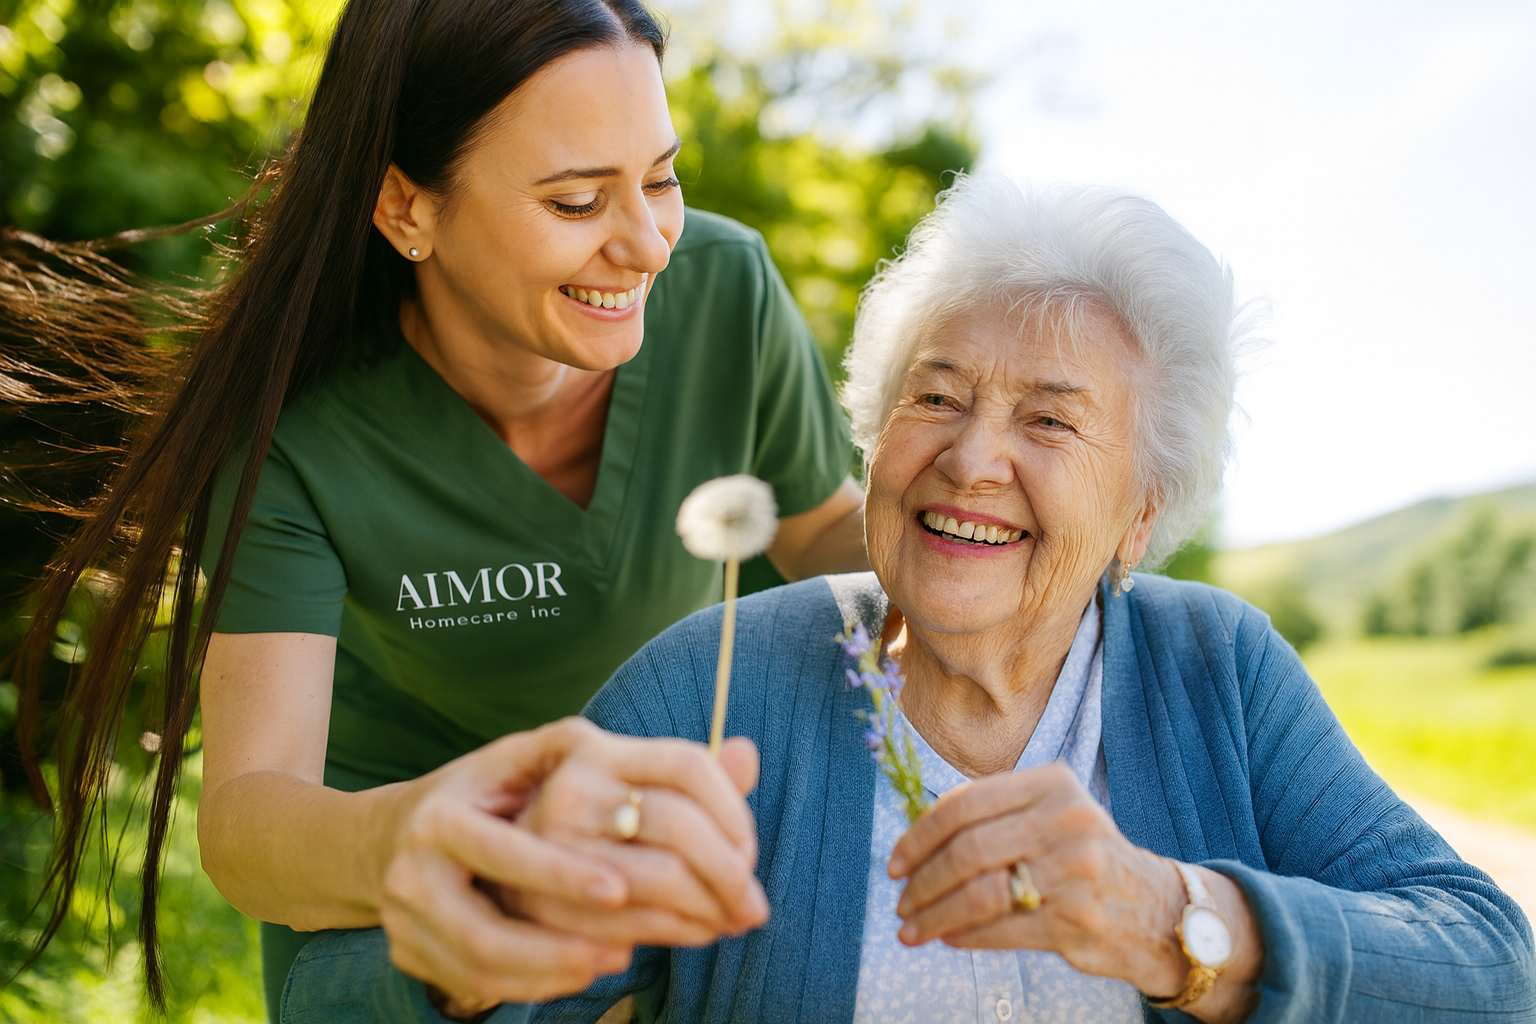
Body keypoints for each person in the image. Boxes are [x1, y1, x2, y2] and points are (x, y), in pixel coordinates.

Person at [11, 0, 867, 1018]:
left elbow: (823, 532)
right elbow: (246, 823)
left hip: (661, 851)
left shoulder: (730, 291)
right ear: (407, 208)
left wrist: (971, 540)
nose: (647, 244)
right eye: (577, 202)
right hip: (396, 896)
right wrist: (443, 834)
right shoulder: (297, 431)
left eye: (661, 177)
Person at [500, 176, 1524, 1021]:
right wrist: (491, 916)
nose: (973, 457)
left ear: (1139, 514)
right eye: (937, 397)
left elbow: (1493, 967)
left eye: (1049, 420)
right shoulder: (711, 684)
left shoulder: (1220, 667)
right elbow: (450, 982)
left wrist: (1176, 920)